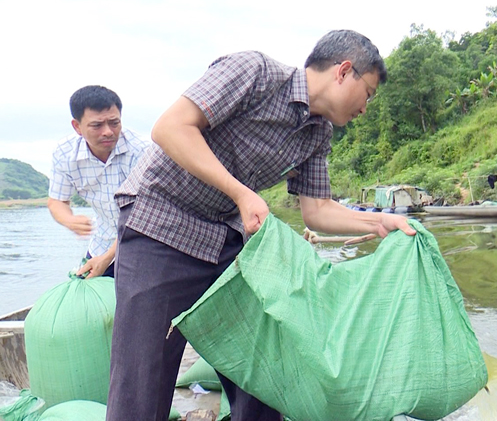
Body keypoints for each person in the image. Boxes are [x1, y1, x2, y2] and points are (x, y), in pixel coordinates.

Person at [106, 30, 417, 421]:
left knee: (266, 369)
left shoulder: (317, 133)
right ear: (344, 71)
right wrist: (240, 193)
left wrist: (379, 222)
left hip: (223, 239)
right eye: (368, 93)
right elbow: (170, 128)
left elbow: (317, 211)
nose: (366, 108)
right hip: (160, 226)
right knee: (142, 382)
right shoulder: (253, 73)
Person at [48, 85, 149, 279]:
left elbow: (141, 215)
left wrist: (107, 258)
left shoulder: (140, 151)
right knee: (83, 292)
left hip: (144, 241)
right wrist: (70, 220)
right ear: (77, 127)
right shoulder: (65, 153)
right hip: (102, 241)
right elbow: (57, 201)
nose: (108, 132)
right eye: (97, 125)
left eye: (114, 123)